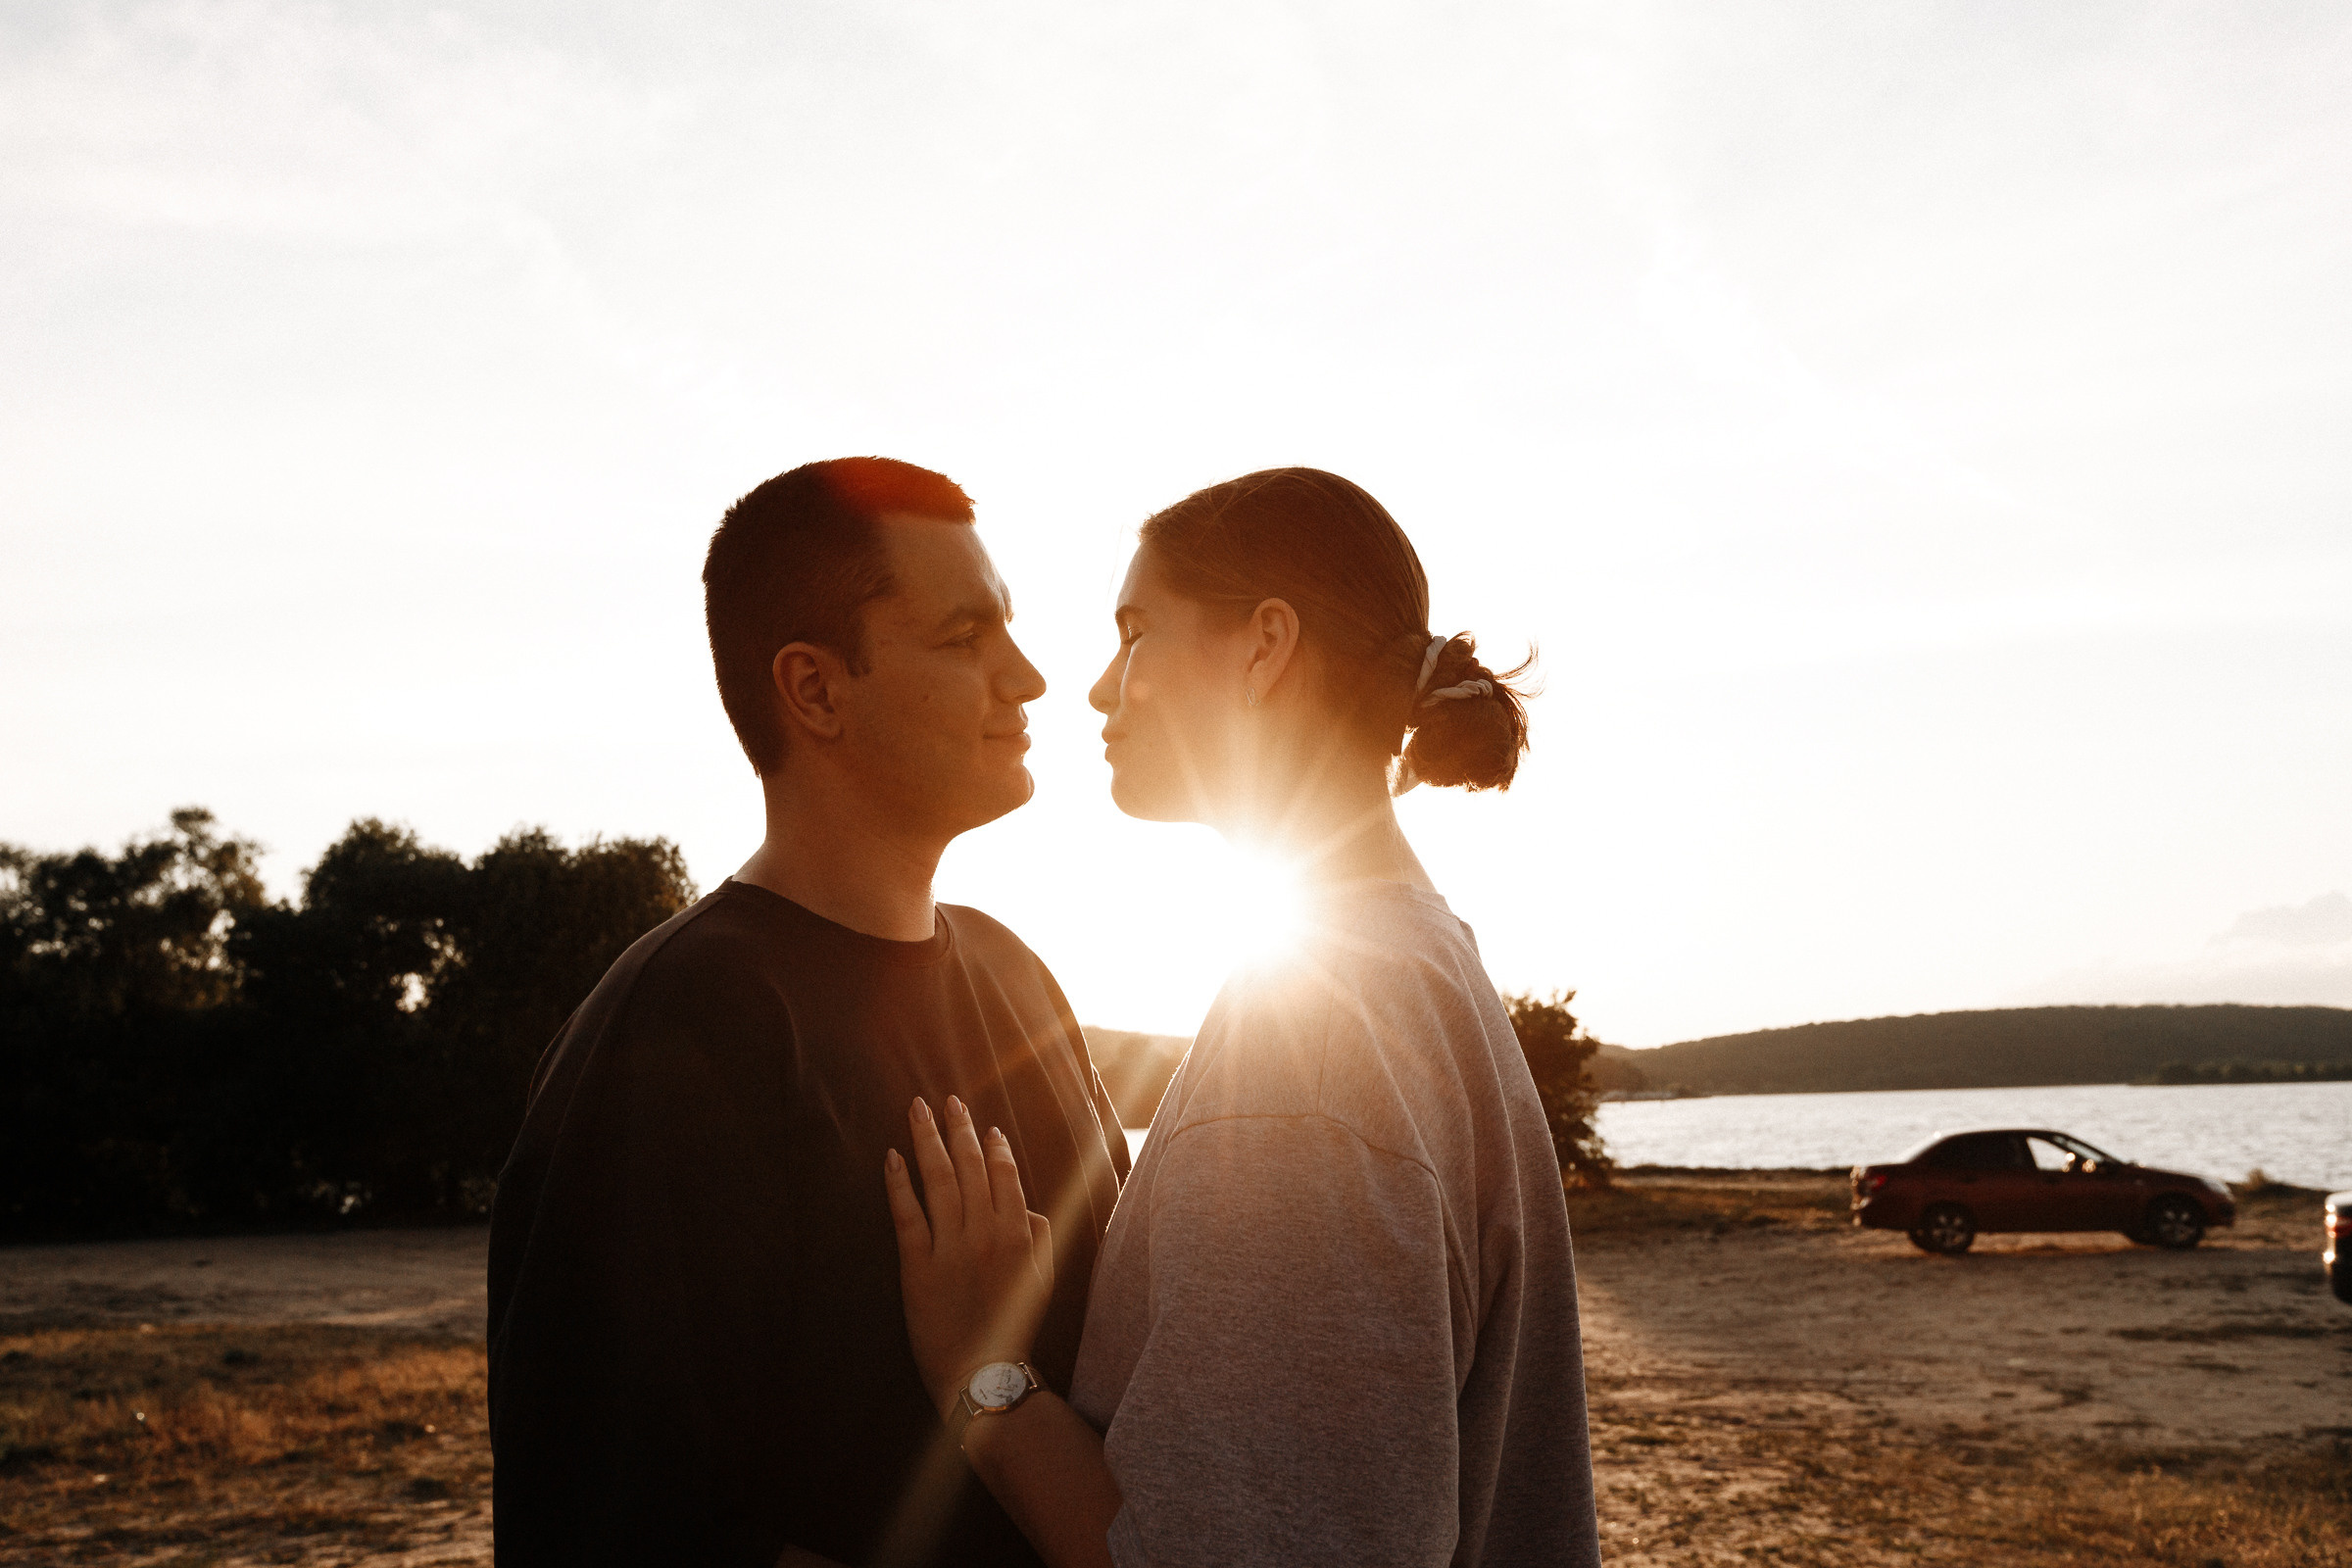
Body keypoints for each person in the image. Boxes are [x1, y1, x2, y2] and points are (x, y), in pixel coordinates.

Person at [881, 467, 1603, 1567]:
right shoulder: (1419, 964)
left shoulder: (1311, 1049)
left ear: (1265, 648)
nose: (1096, 688)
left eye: (1136, 633)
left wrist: (983, 1378)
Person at [487, 458, 1130, 1568]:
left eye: (1010, 629)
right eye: (965, 635)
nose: (1027, 678)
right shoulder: (683, 1028)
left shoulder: (1019, 978)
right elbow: (619, 1526)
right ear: (816, 689)